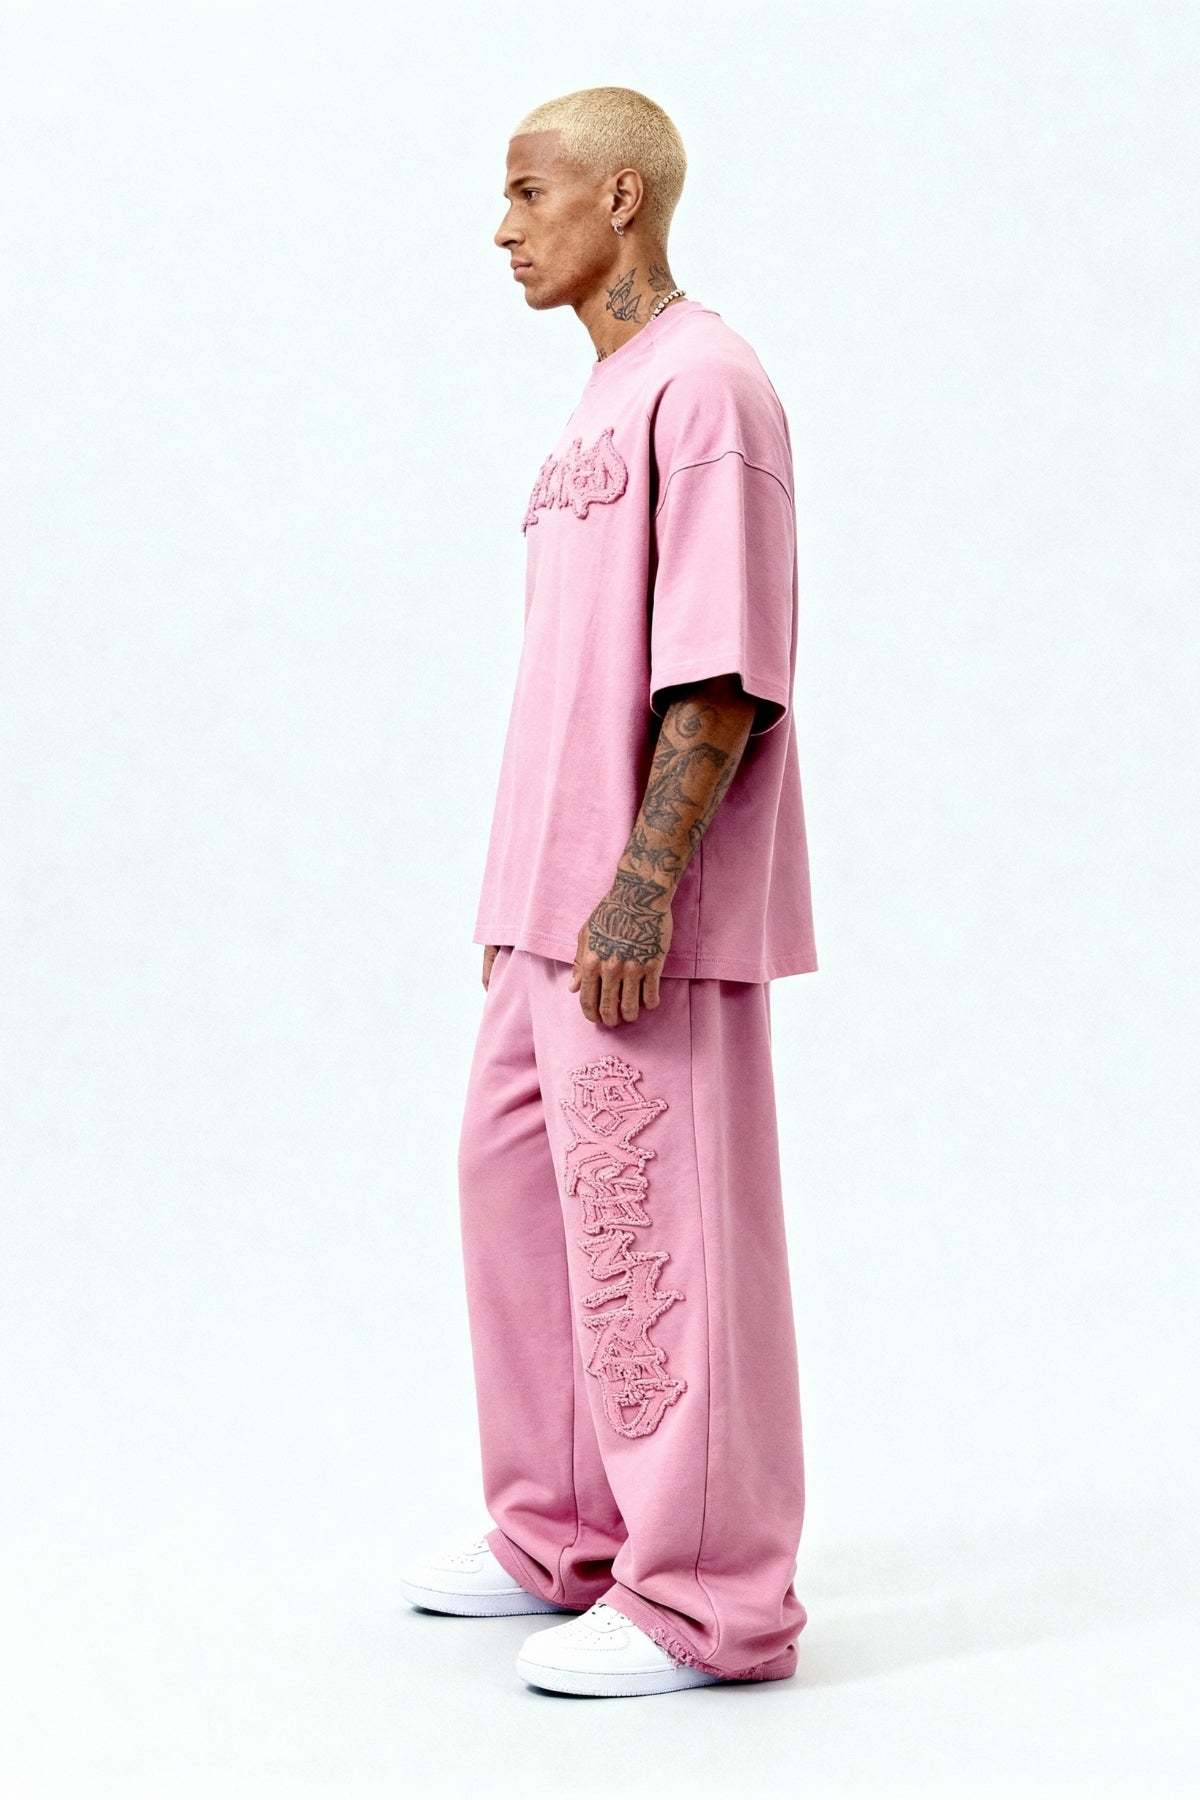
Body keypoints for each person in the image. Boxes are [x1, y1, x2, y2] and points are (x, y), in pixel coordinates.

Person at [398, 85, 818, 1698]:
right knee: (514, 1192)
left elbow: (721, 672)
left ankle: (709, 1597)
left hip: (638, 916)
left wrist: (643, 888)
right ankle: (558, 1535)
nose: (504, 229)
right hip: (543, 914)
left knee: (660, 1234)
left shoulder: (707, 387)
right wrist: (522, 899)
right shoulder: (602, 397)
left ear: (622, 197)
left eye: (529, 193)